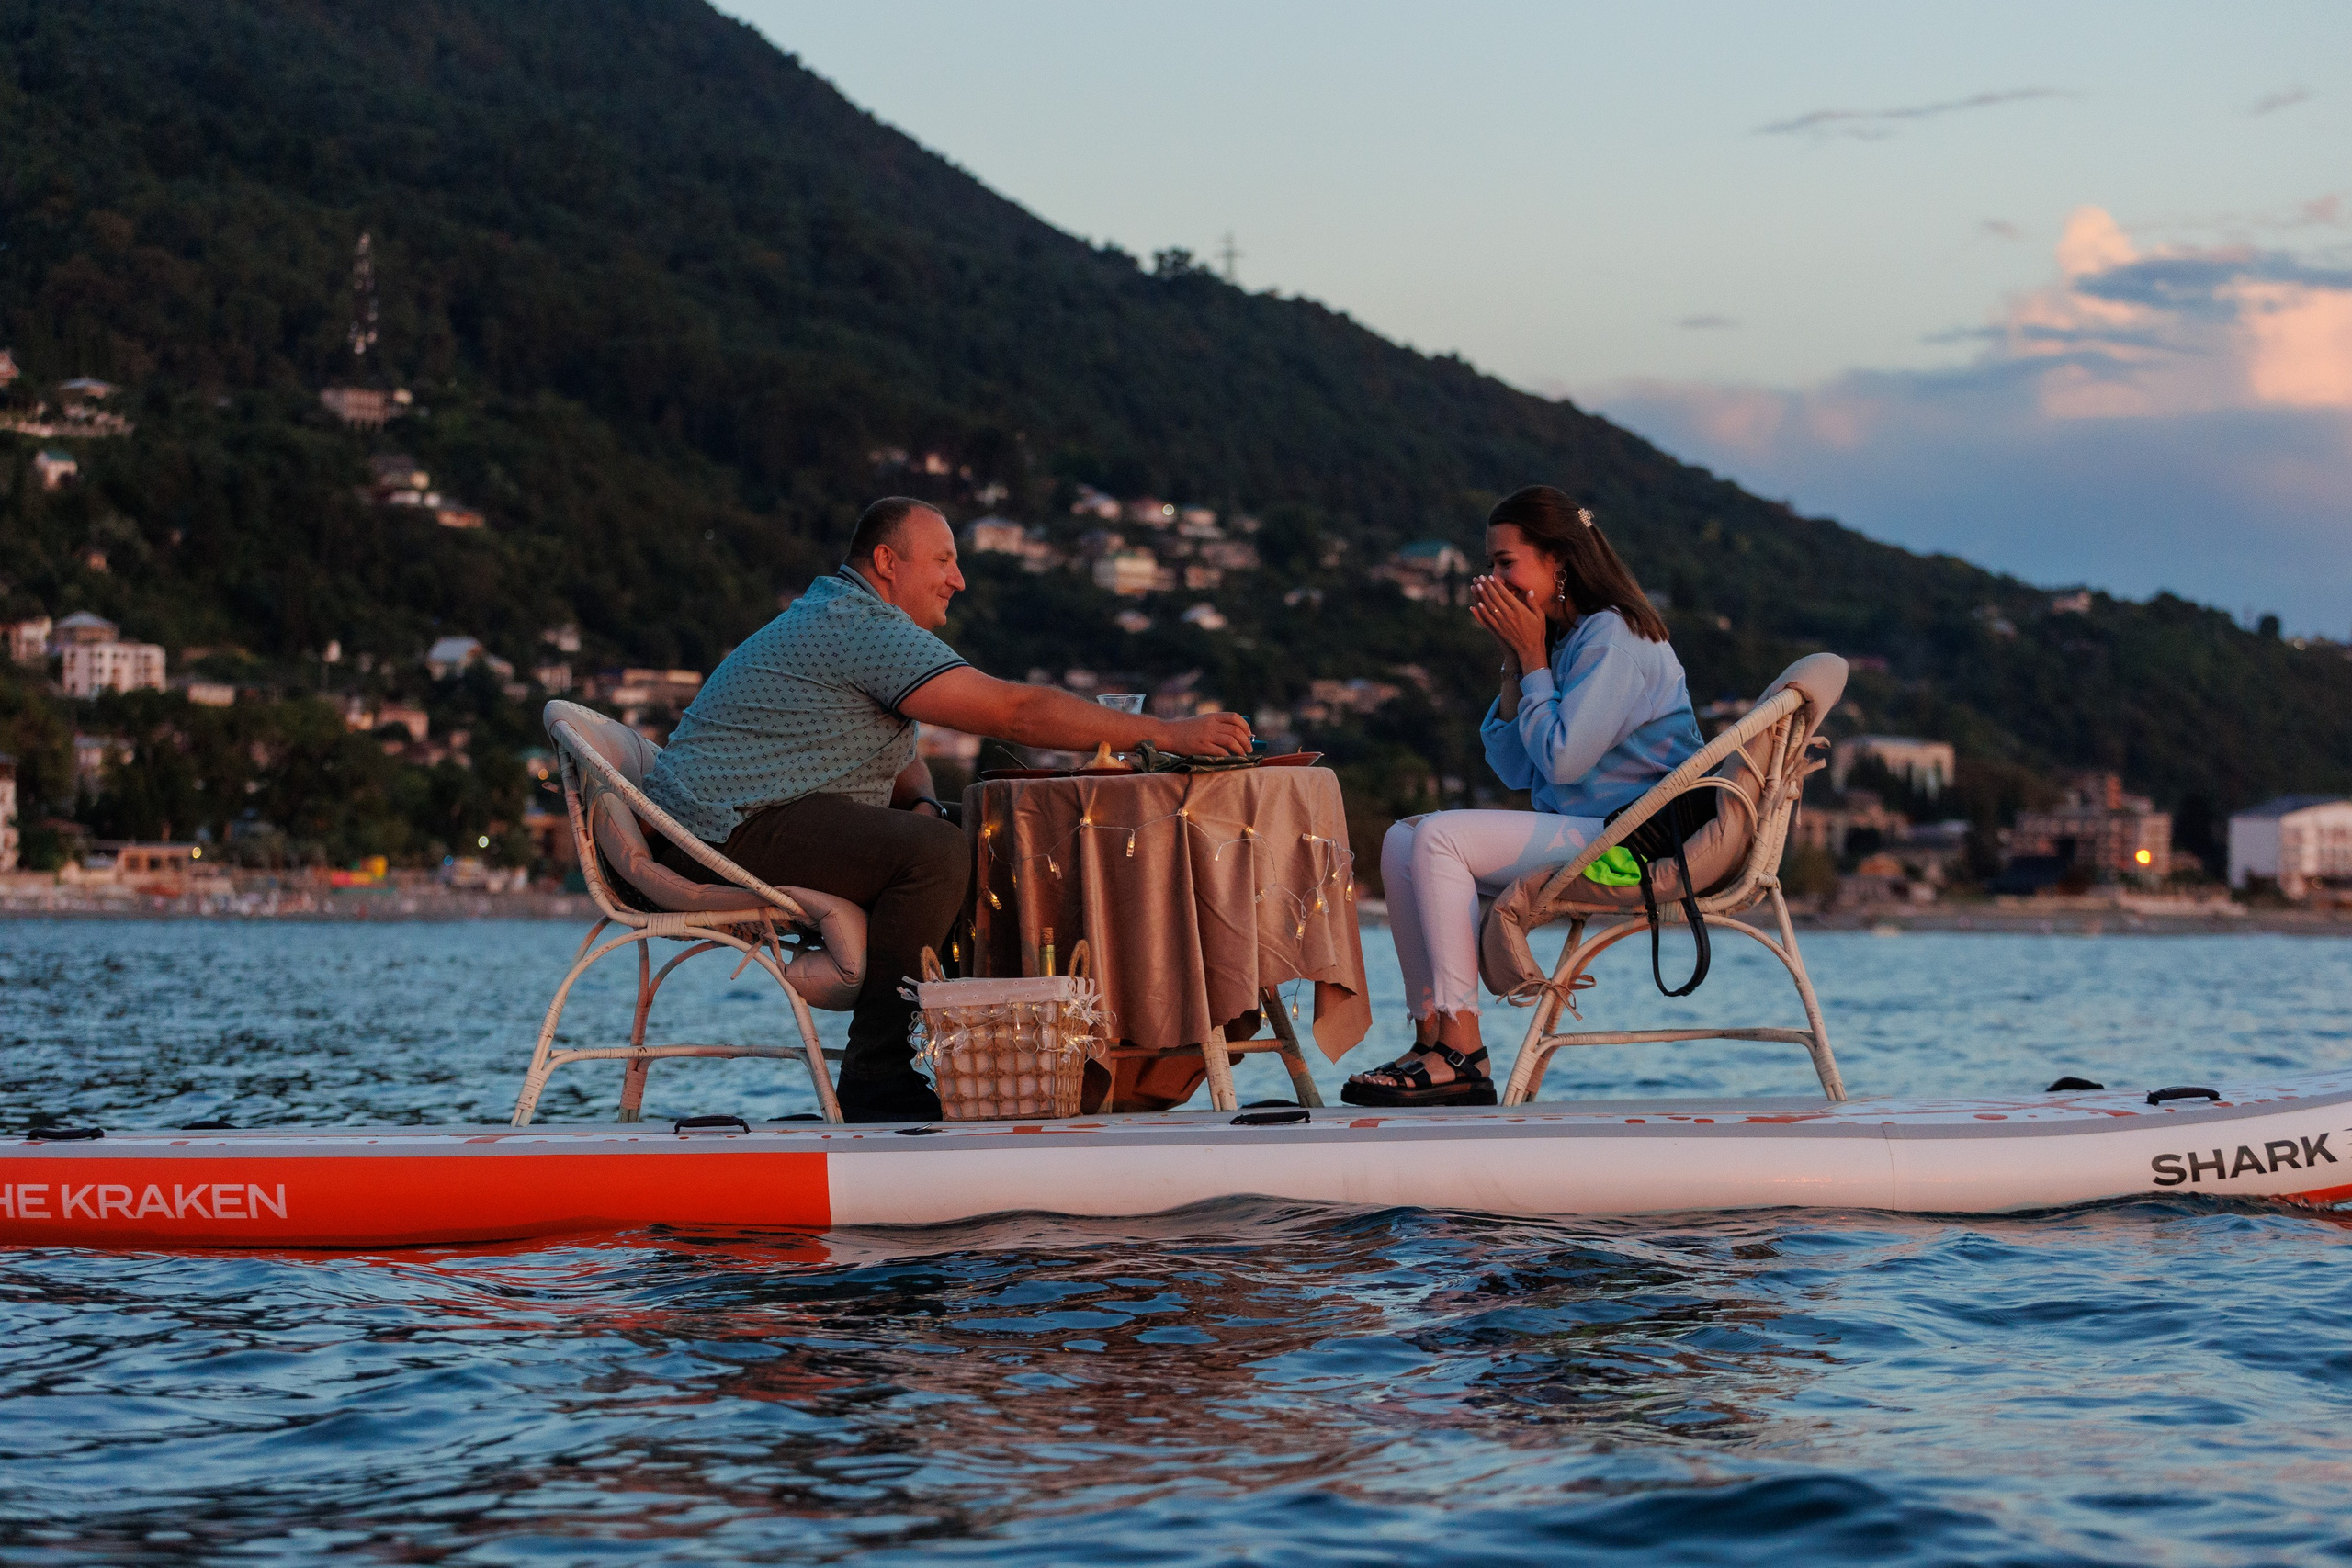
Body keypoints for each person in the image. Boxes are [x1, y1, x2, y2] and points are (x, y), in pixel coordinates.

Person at [642, 497, 1252, 1122]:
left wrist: (925, 804)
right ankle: (876, 1076)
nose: (958, 579)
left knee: (971, 834)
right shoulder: (861, 625)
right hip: (713, 834)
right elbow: (1014, 711)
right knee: (934, 854)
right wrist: (1166, 733)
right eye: (943, 560)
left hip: (738, 821)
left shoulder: (848, 617)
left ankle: (1022, 1059)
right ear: (887, 561)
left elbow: (901, 757)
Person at [1343, 484, 1702, 1107]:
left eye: (1505, 563)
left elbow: (1562, 758)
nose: (1492, 578)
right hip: (1587, 825)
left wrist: (1534, 656)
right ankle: (1432, 1035)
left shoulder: (1611, 637)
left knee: (1439, 836)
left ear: (1557, 562)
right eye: (1490, 564)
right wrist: (1518, 662)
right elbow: (1515, 765)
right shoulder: (1563, 642)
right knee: (1404, 837)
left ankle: (1463, 1049)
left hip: (1633, 834)